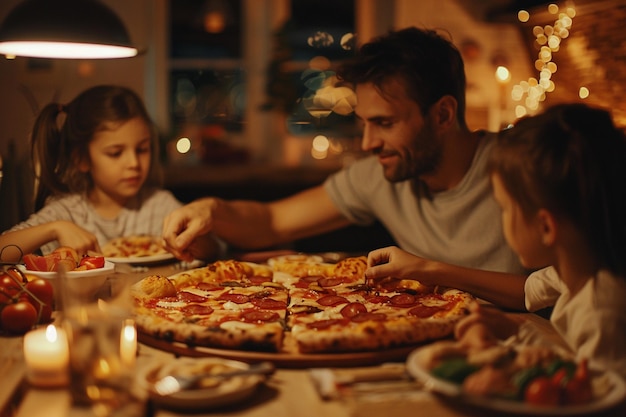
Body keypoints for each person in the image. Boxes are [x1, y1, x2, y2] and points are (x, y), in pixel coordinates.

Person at [161, 27, 528, 310]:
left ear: (443, 114)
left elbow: (555, 288)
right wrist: (212, 209)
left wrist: (429, 270)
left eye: (384, 123)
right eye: (365, 123)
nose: (368, 143)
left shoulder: (523, 167)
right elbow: (271, 221)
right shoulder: (382, 172)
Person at [435, 104, 626, 377]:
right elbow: (568, 361)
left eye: (504, 208)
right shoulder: (578, 270)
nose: (501, 219)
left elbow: (588, 395)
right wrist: (515, 329)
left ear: (545, 226)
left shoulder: (601, 312)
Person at [0, 85, 194, 262]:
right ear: (81, 159)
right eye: (115, 153)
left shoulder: (158, 205)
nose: (134, 163)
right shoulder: (66, 212)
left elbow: (212, 248)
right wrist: (54, 229)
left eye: (142, 149)